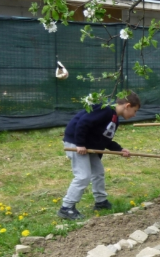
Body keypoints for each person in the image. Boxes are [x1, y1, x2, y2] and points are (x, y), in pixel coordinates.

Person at [59, 91, 140, 220]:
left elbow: (105, 139)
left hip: (88, 145)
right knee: (83, 176)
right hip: (76, 143)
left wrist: (120, 150)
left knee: (98, 172)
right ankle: (66, 207)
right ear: (127, 105)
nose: (134, 114)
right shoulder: (106, 111)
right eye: (135, 110)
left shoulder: (114, 118)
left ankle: (101, 202)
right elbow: (83, 122)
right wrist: (79, 143)